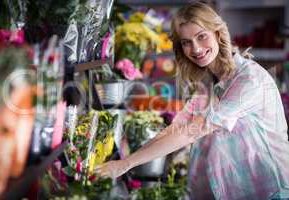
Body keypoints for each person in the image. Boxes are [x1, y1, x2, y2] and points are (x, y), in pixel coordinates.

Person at [95, 2, 289, 199]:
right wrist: (125, 161)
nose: (195, 48)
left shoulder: (249, 79)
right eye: (186, 42)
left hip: (272, 191)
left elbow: (193, 130)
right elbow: (177, 127)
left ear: (218, 34)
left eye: (201, 36)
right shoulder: (211, 83)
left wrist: (126, 164)